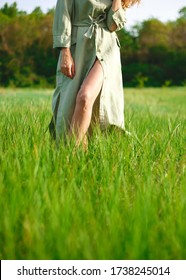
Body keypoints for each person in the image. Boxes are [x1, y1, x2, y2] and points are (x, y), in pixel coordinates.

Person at [49, 0, 140, 147]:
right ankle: (78, 155)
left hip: (106, 48)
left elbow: (112, 25)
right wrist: (65, 52)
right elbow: (63, 14)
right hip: (77, 46)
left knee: (84, 97)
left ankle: (69, 156)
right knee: (71, 103)